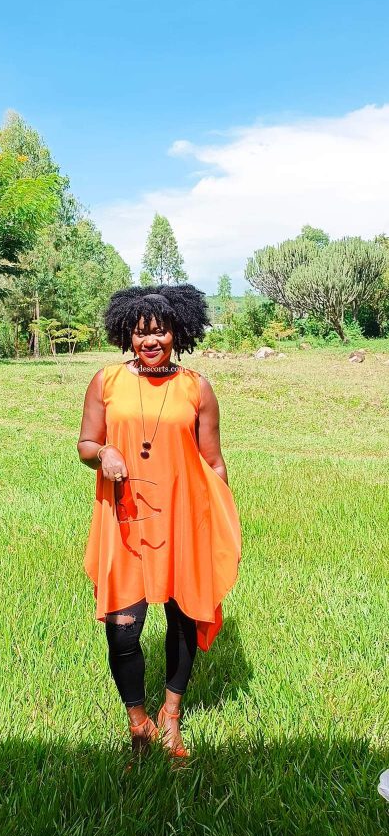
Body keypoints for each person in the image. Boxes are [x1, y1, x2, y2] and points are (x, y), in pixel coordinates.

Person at [77, 284, 241, 757]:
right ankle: (138, 725)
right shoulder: (106, 381)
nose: (150, 340)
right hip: (125, 521)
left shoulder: (196, 387)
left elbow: (213, 462)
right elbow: (86, 444)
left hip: (183, 522)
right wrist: (104, 452)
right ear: (126, 334)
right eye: (140, 331)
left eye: (161, 331)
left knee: (183, 617)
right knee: (123, 629)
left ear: (177, 332)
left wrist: (218, 524)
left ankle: (170, 717)